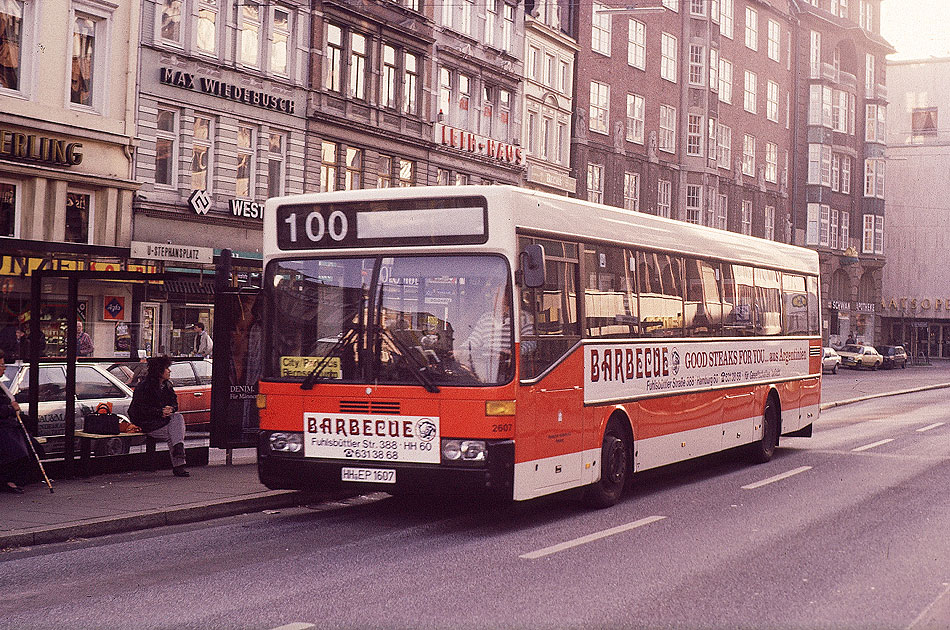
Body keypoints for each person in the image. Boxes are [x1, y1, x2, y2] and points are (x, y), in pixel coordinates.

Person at [128, 356, 190, 477]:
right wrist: (159, 412)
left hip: (163, 421)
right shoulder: (144, 387)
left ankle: (178, 450)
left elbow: (174, 403)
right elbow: (139, 410)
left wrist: (171, 408)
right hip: (148, 422)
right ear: (159, 371)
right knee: (173, 433)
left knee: (177, 417)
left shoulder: (167, 385)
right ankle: (179, 464)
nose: (169, 371)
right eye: (167, 368)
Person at [0, 350, 31, 494]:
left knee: (32, 447)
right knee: (16, 451)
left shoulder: (2, 385)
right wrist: (10, 409)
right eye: (1, 365)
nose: (4, 368)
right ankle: (7, 481)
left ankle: (12, 479)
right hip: (3, 428)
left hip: (8, 426)